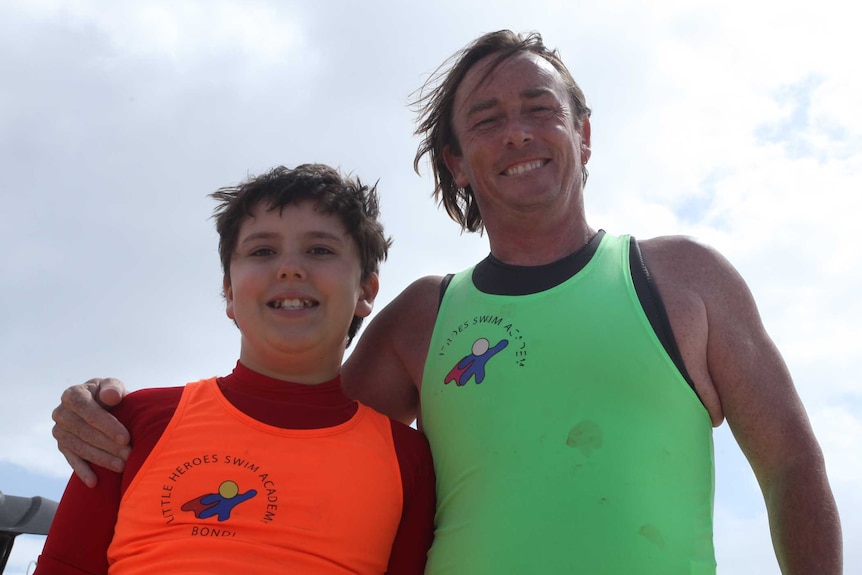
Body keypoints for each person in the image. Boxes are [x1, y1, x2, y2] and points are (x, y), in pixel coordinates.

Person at [51, 31, 841, 574]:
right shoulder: (422, 318)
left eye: (540, 108)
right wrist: (107, 411)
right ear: (457, 162)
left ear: (585, 133)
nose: (518, 133)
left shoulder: (684, 278)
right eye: (487, 120)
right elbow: (289, 427)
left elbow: (791, 466)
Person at [37, 164, 435, 574]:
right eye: (263, 251)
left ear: (366, 291)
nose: (289, 268)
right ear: (228, 292)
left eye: (320, 250)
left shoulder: (409, 460)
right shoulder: (132, 423)